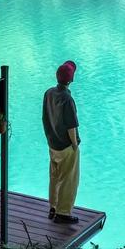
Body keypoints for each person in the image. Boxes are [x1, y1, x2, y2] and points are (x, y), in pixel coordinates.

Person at [42, 60, 81, 225]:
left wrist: (50, 138)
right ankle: (63, 213)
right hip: (66, 146)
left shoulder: (48, 93)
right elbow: (71, 126)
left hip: (52, 144)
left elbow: (44, 117)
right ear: (71, 79)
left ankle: (53, 207)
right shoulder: (67, 99)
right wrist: (74, 144)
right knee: (69, 179)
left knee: (55, 176)